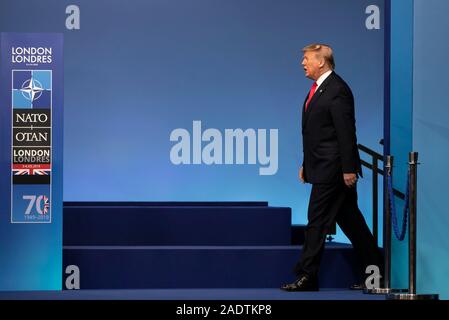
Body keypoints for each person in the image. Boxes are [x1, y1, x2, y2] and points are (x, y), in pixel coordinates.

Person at [281, 44, 383, 291]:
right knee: (352, 223)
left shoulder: (337, 90)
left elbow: (345, 131)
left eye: (306, 59)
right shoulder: (318, 90)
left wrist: (348, 168)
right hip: (323, 167)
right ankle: (378, 275)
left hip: (335, 170)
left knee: (316, 221)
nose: (302, 63)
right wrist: (306, 164)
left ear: (321, 62)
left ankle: (307, 276)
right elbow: (316, 133)